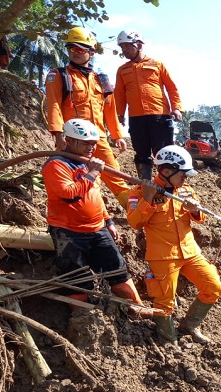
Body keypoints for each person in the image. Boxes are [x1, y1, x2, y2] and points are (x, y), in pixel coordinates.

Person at [41, 118, 148, 313]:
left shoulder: (86, 164)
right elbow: (69, 195)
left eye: (94, 143)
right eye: (86, 144)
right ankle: (82, 318)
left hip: (98, 228)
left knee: (118, 271)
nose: (91, 148)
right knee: (76, 277)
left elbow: (94, 196)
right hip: (68, 232)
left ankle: (137, 308)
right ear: (69, 141)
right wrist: (91, 174)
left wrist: (108, 221)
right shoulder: (57, 165)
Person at [126, 145, 221, 344]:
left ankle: (189, 327)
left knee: (213, 287)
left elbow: (200, 218)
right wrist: (148, 198)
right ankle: (168, 341)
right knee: (164, 302)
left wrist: (195, 210)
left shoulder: (186, 190)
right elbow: (135, 222)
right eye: (184, 174)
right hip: (163, 256)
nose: (186, 178)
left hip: (190, 252)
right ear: (167, 171)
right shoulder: (139, 192)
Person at [45, 27, 132, 209]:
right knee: (81, 176)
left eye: (81, 49)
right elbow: (53, 104)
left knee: (116, 176)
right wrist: (58, 134)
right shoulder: (59, 75)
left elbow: (110, 109)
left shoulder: (101, 79)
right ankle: (91, 214)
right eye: (72, 49)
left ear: (91, 52)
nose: (75, 53)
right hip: (74, 140)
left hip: (99, 138)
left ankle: (136, 214)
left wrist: (117, 135)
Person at [114, 30, 184, 181]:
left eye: (127, 46)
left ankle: (167, 185)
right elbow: (119, 95)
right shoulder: (122, 70)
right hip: (136, 119)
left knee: (164, 152)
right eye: (122, 48)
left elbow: (172, 87)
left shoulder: (157, 65)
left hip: (159, 116)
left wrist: (176, 108)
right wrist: (119, 115)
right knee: (142, 154)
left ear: (138, 45)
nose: (124, 51)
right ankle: (145, 185)